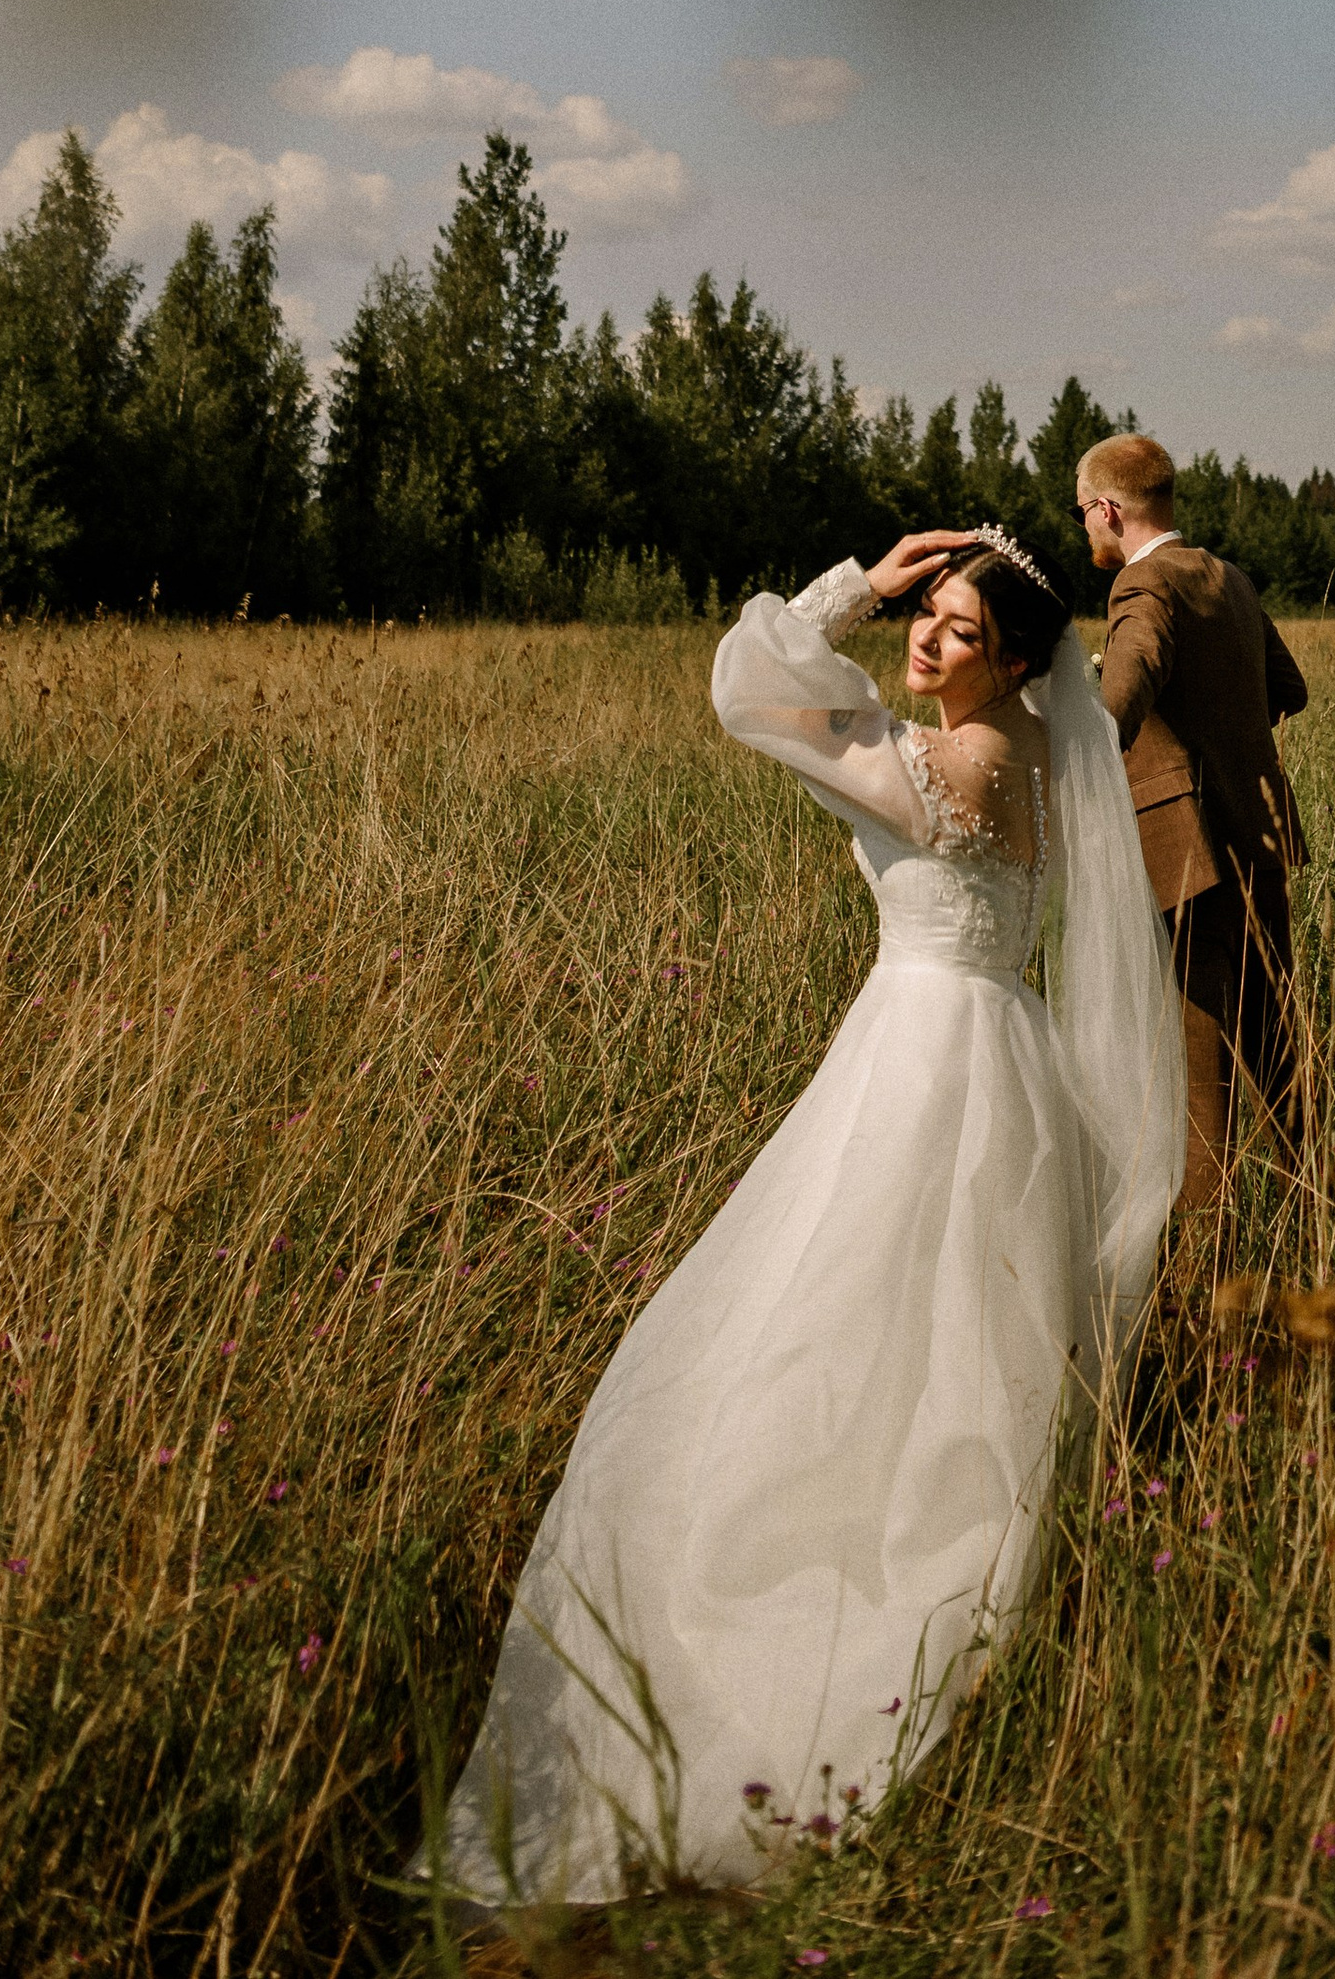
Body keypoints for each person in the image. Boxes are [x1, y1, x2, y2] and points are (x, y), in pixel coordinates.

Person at [434, 523, 1181, 1907]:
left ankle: (820, 1664)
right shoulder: (1021, 740)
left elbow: (748, 690)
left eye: (954, 627)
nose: (925, 639)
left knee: (834, 1338)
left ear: (1014, 656)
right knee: (950, 1355)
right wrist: (895, 607)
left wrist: (855, 583)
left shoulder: (949, 764)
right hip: (996, 1048)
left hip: (917, 1059)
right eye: (926, 615)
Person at [1076, 433, 1309, 1210]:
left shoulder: (1142, 587)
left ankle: (1205, 1290)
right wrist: (1221, 743)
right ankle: (1327, 1223)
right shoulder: (1229, 577)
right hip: (1260, 839)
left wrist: (1088, 725)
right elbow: (1288, 687)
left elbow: (1122, 698)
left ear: (1109, 509)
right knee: (1282, 1061)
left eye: (1084, 514)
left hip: (1190, 860)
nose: (1086, 528)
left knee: (1199, 1085)